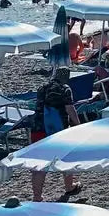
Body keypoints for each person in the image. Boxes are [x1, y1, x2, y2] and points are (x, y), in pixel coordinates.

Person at [31, 68, 81, 201]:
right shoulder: (65, 88)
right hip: (57, 130)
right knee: (66, 157)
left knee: (39, 163)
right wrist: (78, 124)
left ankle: (37, 196)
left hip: (38, 127)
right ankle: (69, 187)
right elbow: (69, 108)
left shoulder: (42, 87)